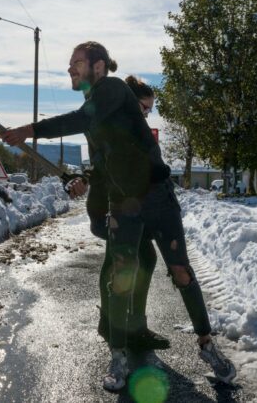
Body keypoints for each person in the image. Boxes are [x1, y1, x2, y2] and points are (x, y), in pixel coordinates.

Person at [0, 41, 236, 391]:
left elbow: (82, 119)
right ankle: (119, 355)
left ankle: (207, 346)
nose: (70, 69)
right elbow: (103, 163)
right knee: (121, 276)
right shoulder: (96, 110)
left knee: (181, 270)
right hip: (123, 204)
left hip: (157, 196)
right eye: (69, 63)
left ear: (98, 66)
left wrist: (29, 130)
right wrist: (82, 179)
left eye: (76, 62)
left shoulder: (111, 88)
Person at [87, 75, 169, 352]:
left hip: (128, 204)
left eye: (149, 110)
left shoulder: (128, 125)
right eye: (144, 108)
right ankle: (120, 326)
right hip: (109, 202)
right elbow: (104, 165)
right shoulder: (110, 123)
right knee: (126, 259)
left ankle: (124, 325)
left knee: (135, 258)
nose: (146, 114)